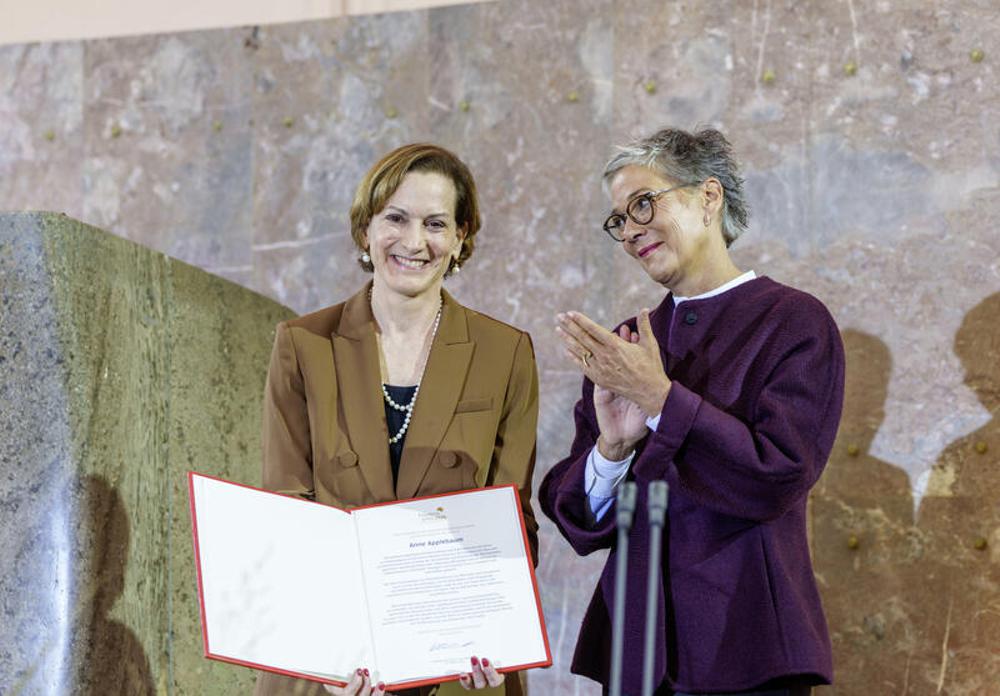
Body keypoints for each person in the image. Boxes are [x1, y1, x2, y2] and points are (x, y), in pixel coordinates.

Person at [540, 128, 845, 696]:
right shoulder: (627, 345)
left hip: (747, 644)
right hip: (637, 650)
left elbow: (778, 474)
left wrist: (661, 401)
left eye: (642, 204)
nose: (630, 232)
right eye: (619, 221)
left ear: (709, 197)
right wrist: (610, 451)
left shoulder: (793, 322)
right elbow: (577, 519)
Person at [255, 143, 539, 696]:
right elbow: (287, 512)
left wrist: (500, 630)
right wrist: (332, 651)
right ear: (366, 230)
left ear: (460, 238)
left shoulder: (505, 352)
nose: (414, 242)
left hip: (458, 663)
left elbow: (514, 519)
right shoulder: (303, 345)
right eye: (396, 218)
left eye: (436, 223)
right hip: (330, 665)